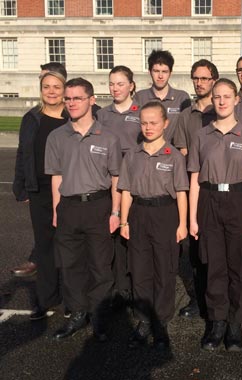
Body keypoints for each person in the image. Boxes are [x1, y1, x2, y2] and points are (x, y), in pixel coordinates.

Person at [45, 77, 122, 341]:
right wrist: (57, 210)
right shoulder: (57, 137)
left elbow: (116, 178)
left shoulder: (108, 137)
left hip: (99, 206)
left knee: (101, 266)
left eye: (77, 98)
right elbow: (55, 176)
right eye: (68, 98)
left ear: (91, 100)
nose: (72, 103)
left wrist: (116, 212)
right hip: (68, 207)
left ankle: (99, 316)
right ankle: (78, 313)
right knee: (71, 265)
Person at [188, 78, 242, 352]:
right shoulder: (201, 136)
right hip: (209, 199)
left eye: (226, 96)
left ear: (235, 100)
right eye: (217, 97)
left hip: (240, 200)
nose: (221, 101)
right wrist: (193, 218)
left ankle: (235, 321)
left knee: (240, 264)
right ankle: (217, 319)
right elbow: (194, 178)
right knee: (214, 264)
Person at [118, 101, 189, 351]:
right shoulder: (132, 155)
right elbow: (125, 190)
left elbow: (181, 192)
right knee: (140, 270)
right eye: (144, 123)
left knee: (164, 270)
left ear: (165, 124)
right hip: (138, 214)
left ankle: (161, 322)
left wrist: (183, 224)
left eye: (153, 123)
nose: (148, 127)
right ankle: (144, 320)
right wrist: (124, 220)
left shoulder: (175, 157)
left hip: (165, 215)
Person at [12, 71, 68, 319]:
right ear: (41, 90)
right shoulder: (32, 118)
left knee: (68, 245)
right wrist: (20, 184)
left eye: (57, 86)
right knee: (44, 246)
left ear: (64, 89)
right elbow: (23, 152)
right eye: (47, 87)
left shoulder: (72, 117)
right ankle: (46, 299)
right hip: (40, 190)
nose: (52, 91)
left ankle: (71, 299)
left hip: (68, 190)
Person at [173, 59, 219, 320]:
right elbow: (182, 153)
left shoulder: (222, 111)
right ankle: (196, 297)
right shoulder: (185, 116)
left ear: (213, 80)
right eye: (196, 78)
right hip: (193, 187)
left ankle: (216, 299)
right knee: (194, 248)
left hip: (216, 188)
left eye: (204, 78)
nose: (199, 83)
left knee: (215, 248)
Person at [97, 66, 141, 304]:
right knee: (115, 234)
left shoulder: (141, 111)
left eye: (120, 83)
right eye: (112, 83)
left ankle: (138, 283)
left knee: (134, 232)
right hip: (111, 181)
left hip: (136, 180)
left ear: (131, 85)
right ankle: (120, 285)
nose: (115, 88)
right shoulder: (103, 115)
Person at [134, 50, 191, 143]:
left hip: (173, 153)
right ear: (149, 72)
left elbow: (186, 130)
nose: (160, 76)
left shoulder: (182, 97)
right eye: (156, 71)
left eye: (164, 71)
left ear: (170, 73)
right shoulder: (140, 97)